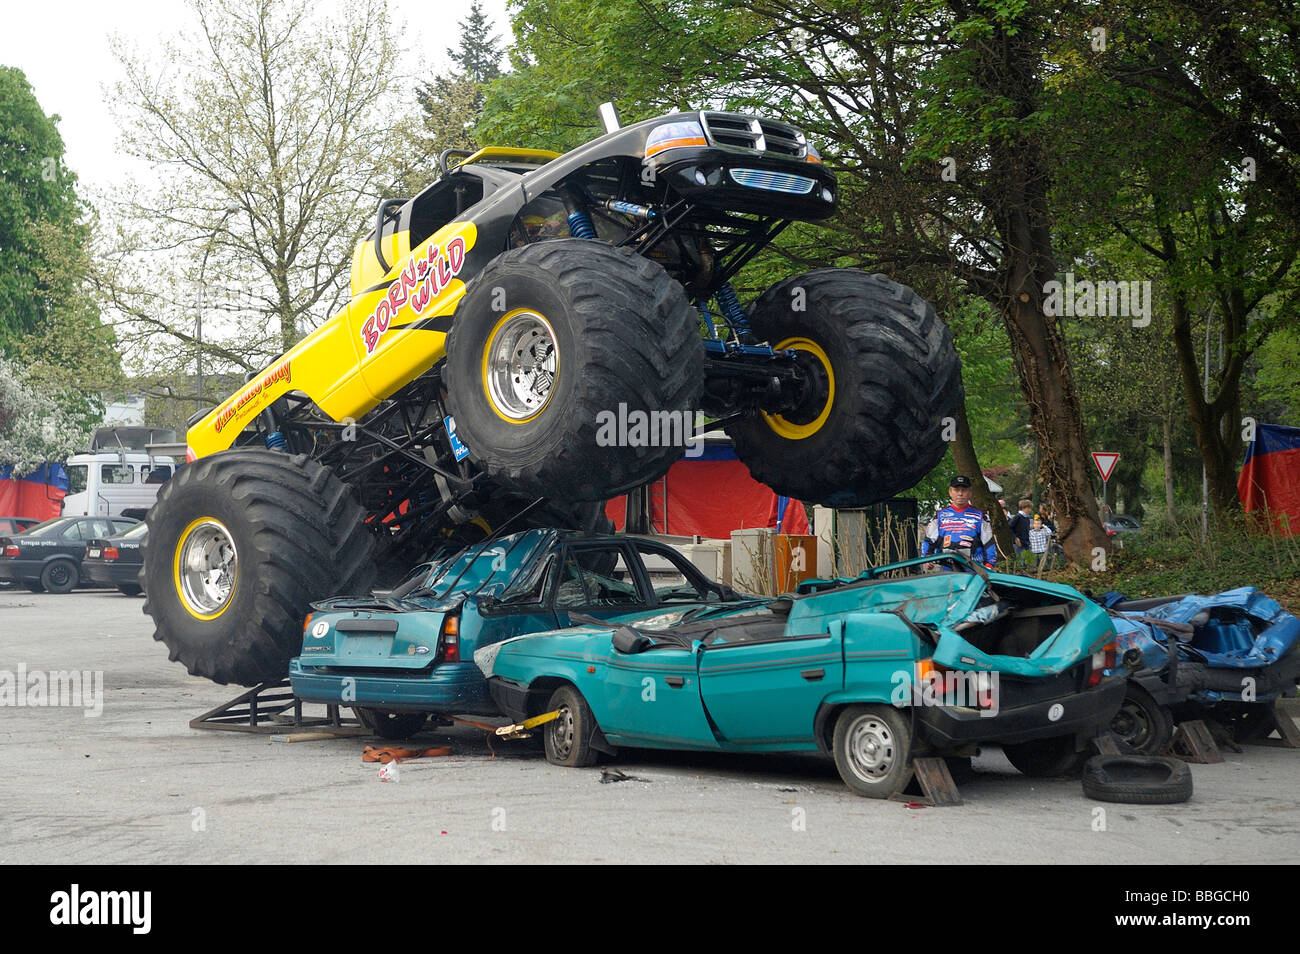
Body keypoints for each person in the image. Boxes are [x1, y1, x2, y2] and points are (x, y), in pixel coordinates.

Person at [921, 475, 997, 568]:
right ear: (950, 492)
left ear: (970, 493)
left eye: (964, 490)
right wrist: (927, 559)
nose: (960, 494)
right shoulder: (939, 516)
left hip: (973, 568)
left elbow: (989, 543)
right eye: (956, 490)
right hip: (946, 568)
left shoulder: (981, 517)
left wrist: (989, 565)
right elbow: (928, 540)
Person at [1007, 498, 1033, 565]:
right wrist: (1015, 538)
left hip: (1026, 542)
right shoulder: (1017, 517)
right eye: (1028, 508)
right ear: (1024, 508)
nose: (1030, 510)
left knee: (1027, 561)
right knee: (1020, 561)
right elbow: (1009, 527)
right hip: (1018, 543)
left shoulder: (1027, 518)